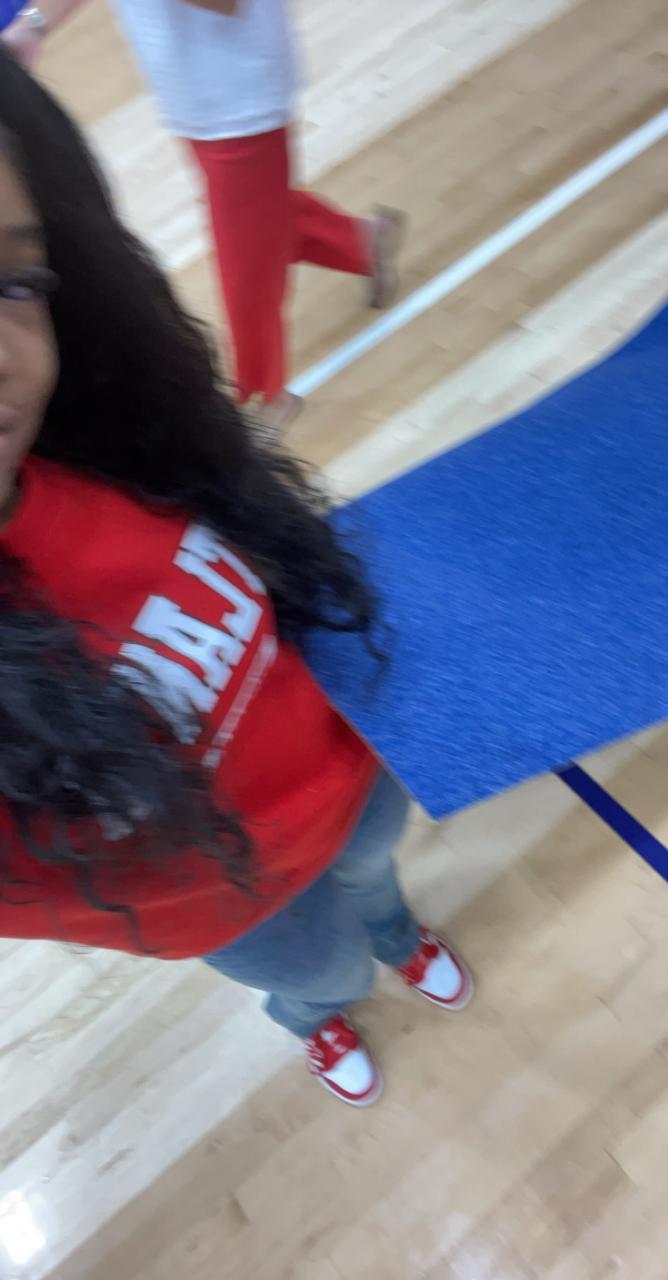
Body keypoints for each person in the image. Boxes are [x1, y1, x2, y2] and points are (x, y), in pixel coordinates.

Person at [0, 52, 470, 1107]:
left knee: (377, 879)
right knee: (325, 972)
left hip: (355, 772)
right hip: (244, 906)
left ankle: (397, 933)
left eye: (12, 282)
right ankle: (316, 1015)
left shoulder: (102, 456)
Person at [3, 0, 406, 434]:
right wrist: (34, 26)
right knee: (257, 227)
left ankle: (263, 397)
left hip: (239, 95)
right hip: (195, 93)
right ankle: (360, 243)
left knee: (245, 264)